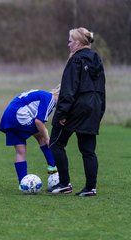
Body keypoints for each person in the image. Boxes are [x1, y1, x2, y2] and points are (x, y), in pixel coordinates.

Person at [48, 27, 106, 197]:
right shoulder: (97, 59)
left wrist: (62, 114)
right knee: (88, 150)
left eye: (70, 41)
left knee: (55, 143)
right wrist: (99, 111)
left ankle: (65, 184)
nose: (68, 44)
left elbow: (69, 90)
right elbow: (101, 89)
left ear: (79, 43)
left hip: (76, 108)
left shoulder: (75, 61)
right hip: (94, 108)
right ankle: (90, 188)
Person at [0, 86, 60, 188]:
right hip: (19, 115)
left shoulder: (44, 95)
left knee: (20, 151)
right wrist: (48, 138)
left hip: (9, 116)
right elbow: (39, 122)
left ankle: (22, 183)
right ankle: (52, 165)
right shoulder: (50, 99)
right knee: (42, 136)